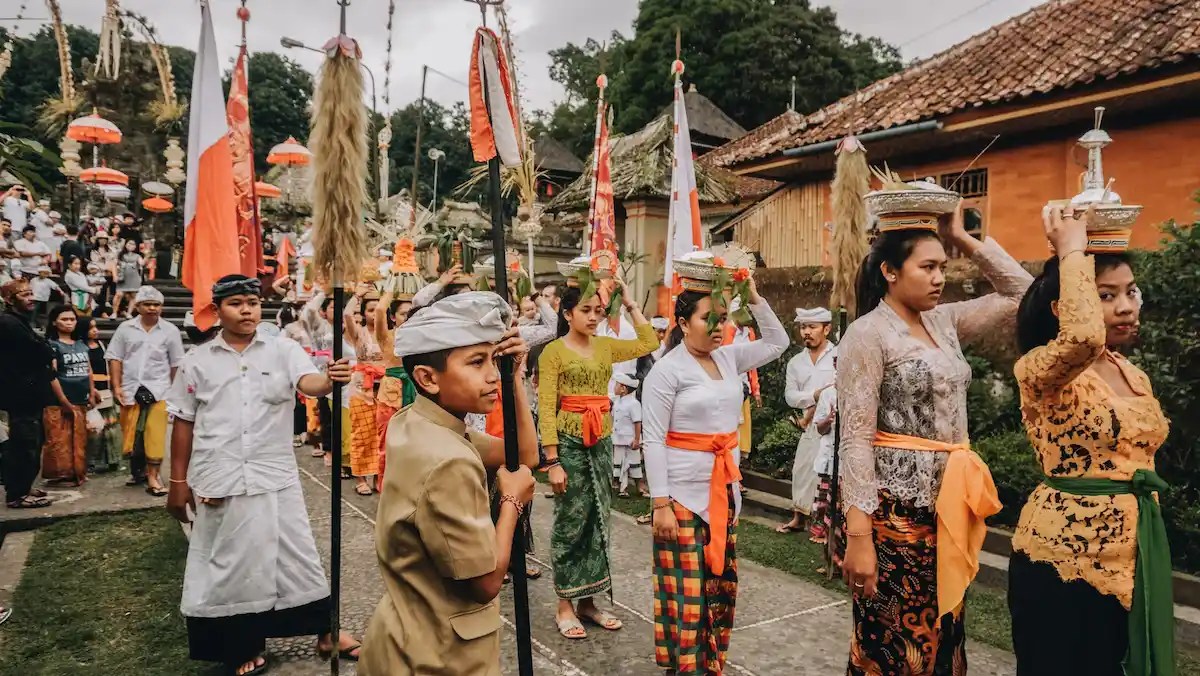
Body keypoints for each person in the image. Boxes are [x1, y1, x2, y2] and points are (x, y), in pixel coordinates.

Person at [838, 206, 1031, 675]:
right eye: (928, 266)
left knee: (946, 633)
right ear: (888, 271)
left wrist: (963, 237)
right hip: (894, 515)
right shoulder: (867, 334)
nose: (939, 277)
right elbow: (855, 440)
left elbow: (1025, 294)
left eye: (943, 266)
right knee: (896, 642)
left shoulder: (944, 323)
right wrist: (859, 536)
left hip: (950, 507)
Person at [165, 274, 361, 676]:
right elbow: (183, 422)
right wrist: (177, 482)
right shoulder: (196, 362)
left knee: (297, 556)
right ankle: (244, 645)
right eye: (236, 303)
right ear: (217, 310)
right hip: (221, 477)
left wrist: (329, 380)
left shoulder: (283, 350)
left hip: (275, 476)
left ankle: (326, 632)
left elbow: (309, 383)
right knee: (231, 566)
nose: (247, 310)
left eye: (252, 302)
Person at [1008, 205, 1174, 675]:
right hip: (1062, 564)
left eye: (1130, 292)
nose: (1125, 306)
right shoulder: (1042, 372)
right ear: (1064, 305)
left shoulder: (1131, 372)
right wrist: (1071, 249)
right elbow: (1082, 336)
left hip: (1135, 553)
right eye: (1106, 295)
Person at [360, 291, 538, 676]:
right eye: (476, 362)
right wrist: (512, 502)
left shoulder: (417, 420)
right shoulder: (449, 460)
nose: (492, 373)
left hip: (405, 633)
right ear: (427, 377)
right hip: (437, 656)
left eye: (494, 360)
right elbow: (487, 582)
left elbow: (524, 455)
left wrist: (514, 380)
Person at [642, 264, 787, 675]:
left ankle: (711, 663)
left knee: (720, 587)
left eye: (723, 318)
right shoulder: (667, 372)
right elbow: (653, 439)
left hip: (724, 493)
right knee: (686, 594)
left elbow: (778, 342)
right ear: (684, 323)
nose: (719, 326)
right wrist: (661, 504)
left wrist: (755, 298)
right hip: (682, 497)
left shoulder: (728, 359)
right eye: (709, 318)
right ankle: (684, 666)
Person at [539, 276, 658, 638]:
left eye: (599, 311)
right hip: (570, 442)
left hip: (602, 440)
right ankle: (564, 604)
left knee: (598, 519)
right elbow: (546, 406)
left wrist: (629, 303)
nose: (593, 317)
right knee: (570, 520)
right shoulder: (553, 352)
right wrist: (553, 461)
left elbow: (649, 341)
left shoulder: (606, 346)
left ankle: (588, 603)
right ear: (568, 312)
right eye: (586, 310)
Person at [106, 285, 184, 495]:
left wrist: (176, 392)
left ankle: (153, 477)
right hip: (130, 388)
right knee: (132, 434)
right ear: (138, 306)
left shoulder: (170, 331)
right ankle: (137, 471)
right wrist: (116, 387)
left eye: (156, 304)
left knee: (155, 433)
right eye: (147, 304)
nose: (152, 308)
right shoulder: (125, 329)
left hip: (159, 389)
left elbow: (176, 363)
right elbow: (115, 357)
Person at [777, 307, 837, 533]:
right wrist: (813, 396)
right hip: (810, 425)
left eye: (812, 327)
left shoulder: (838, 354)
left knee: (830, 472)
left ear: (827, 328)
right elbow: (790, 396)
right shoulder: (795, 363)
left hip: (834, 424)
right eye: (803, 327)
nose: (806, 332)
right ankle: (799, 517)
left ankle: (826, 524)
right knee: (803, 468)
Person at [1, 278, 57, 509]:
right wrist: (45, 349)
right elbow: (40, 351)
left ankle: (23, 487)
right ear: (10, 300)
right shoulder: (9, 323)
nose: (31, 298)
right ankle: (16, 494)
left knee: (32, 442)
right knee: (23, 444)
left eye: (30, 293)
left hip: (29, 392)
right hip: (20, 394)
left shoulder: (20, 321)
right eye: (24, 295)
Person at [41, 305, 95, 487]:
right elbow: (51, 375)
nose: (70, 323)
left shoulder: (81, 344)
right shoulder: (52, 345)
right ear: (55, 322)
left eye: (72, 319)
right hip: (59, 400)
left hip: (81, 397)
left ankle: (77, 472)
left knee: (79, 437)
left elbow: (88, 370)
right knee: (59, 438)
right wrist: (63, 400)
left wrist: (92, 391)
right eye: (65, 319)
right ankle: (60, 475)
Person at [344, 284, 384, 496]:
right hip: (362, 389)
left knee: (382, 435)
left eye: (378, 310)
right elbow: (347, 314)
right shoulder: (358, 333)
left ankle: (379, 476)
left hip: (385, 390)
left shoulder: (388, 333)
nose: (375, 314)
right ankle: (360, 477)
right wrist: (357, 295)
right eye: (370, 310)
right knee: (361, 435)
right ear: (364, 313)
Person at [372, 286, 414, 490]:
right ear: (393, 317)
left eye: (410, 313)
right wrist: (392, 286)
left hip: (416, 393)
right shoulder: (386, 336)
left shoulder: (420, 338)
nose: (407, 318)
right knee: (387, 444)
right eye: (403, 314)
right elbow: (379, 311)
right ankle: (385, 489)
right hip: (391, 394)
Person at [81, 316, 122, 473]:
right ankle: (91, 461)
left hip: (106, 389)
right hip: (91, 390)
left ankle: (113, 459)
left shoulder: (101, 346)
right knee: (93, 429)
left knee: (110, 426)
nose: (95, 330)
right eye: (91, 328)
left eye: (96, 327)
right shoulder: (81, 347)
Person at [808, 375, 838, 546]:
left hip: (847, 461)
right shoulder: (828, 394)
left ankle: (834, 535)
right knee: (823, 499)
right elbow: (819, 428)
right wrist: (829, 419)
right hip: (828, 457)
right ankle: (820, 532)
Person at [610, 372, 644, 497]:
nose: (614, 387)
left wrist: (636, 439)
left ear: (623, 389)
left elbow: (637, 423)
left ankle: (640, 487)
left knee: (634, 462)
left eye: (617, 385)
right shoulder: (617, 402)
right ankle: (621, 487)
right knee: (619, 462)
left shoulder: (634, 404)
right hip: (619, 439)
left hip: (630, 440)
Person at [113, 239, 144, 318]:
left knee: (133, 295)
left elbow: (142, 263)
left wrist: (147, 255)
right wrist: (115, 275)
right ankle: (114, 312)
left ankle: (129, 313)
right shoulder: (120, 255)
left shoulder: (137, 256)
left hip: (134, 277)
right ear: (126, 244)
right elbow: (113, 264)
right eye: (129, 243)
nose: (131, 245)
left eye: (133, 244)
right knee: (119, 294)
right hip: (122, 276)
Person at [29, 265, 60, 329]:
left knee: (43, 313)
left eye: (46, 273)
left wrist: (61, 291)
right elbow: (30, 287)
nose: (44, 275)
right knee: (34, 311)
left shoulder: (48, 281)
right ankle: (32, 323)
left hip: (44, 299)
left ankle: (41, 325)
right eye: (43, 273)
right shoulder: (33, 280)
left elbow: (55, 286)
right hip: (35, 298)